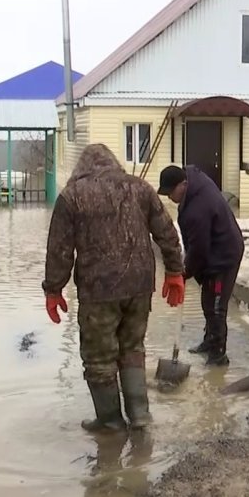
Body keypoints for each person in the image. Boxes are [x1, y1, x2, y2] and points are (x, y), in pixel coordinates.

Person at [43, 144, 186, 432]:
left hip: (99, 291)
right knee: (132, 347)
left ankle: (109, 421)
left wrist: (53, 289)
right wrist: (174, 271)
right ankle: (140, 417)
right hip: (140, 286)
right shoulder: (142, 189)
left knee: (99, 357)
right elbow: (167, 233)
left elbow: (60, 249)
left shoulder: (72, 197)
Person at [157, 165, 245, 366]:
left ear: (183, 184)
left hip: (224, 256)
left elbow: (198, 250)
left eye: (171, 192)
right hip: (214, 250)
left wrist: (183, 273)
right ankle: (209, 341)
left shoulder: (197, 209)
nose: (169, 197)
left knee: (216, 306)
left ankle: (218, 355)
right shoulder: (193, 181)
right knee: (207, 300)